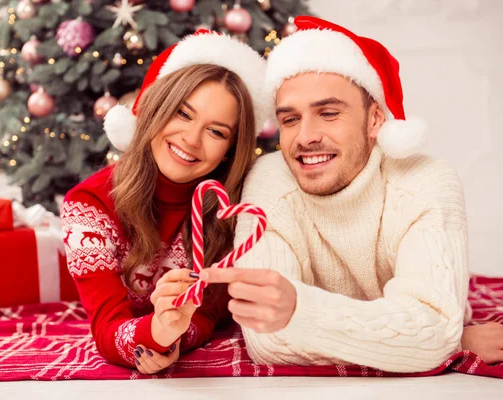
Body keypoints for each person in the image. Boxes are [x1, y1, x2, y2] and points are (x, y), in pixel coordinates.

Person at [199, 16, 476, 373]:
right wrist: (426, 341)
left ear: (375, 119)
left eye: (328, 113)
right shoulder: (270, 181)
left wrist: (301, 313)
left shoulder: (426, 183)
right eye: (290, 119)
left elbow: (433, 330)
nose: (305, 137)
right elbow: (267, 339)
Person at [60, 30, 267, 374]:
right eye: (183, 114)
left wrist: (176, 335)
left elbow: (209, 312)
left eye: (216, 131)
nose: (191, 139)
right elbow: (107, 326)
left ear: (231, 148)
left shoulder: (234, 206)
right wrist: (157, 332)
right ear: (156, 109)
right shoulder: (89, 204)